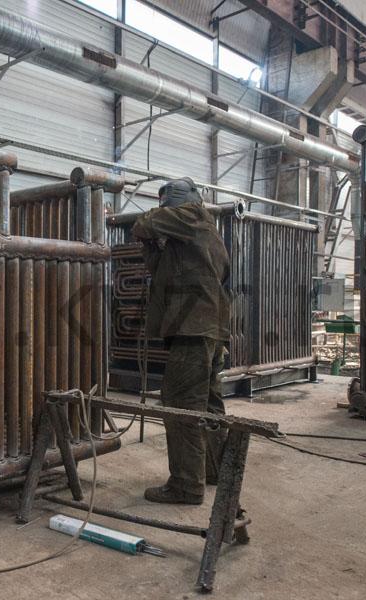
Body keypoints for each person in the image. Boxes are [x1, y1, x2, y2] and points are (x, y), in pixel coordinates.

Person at [131, 177, 231, 505]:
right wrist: (154, 245)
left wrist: (151, 224)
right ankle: (213, 470)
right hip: (208, 329)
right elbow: (161, 270)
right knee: (208, 404)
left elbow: (143, 223)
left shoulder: (191, 215)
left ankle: (186, 485)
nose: (162, 209)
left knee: (181, 402)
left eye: (164, 203)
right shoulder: (198, 234)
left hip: (194, 328)